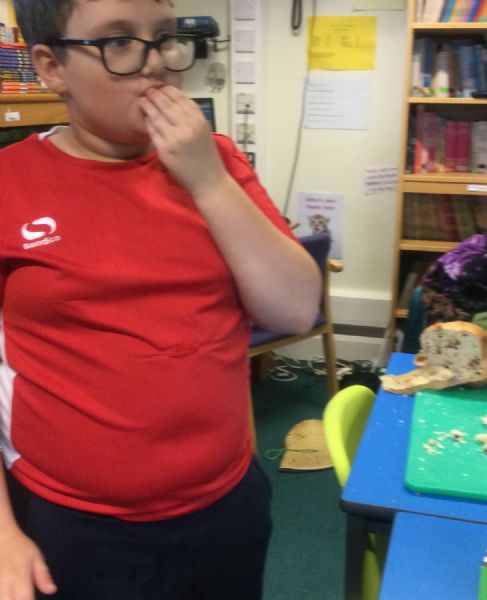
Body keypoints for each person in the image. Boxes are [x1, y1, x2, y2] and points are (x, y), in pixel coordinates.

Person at [0, 1, 321, 598]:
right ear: (51, 67)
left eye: (166, 37)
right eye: (118, 42)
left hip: (224, 506)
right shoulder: (10, 182)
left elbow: (295, 309)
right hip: (69, 522)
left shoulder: (218, 161)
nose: (158, 64)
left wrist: (207, 179)